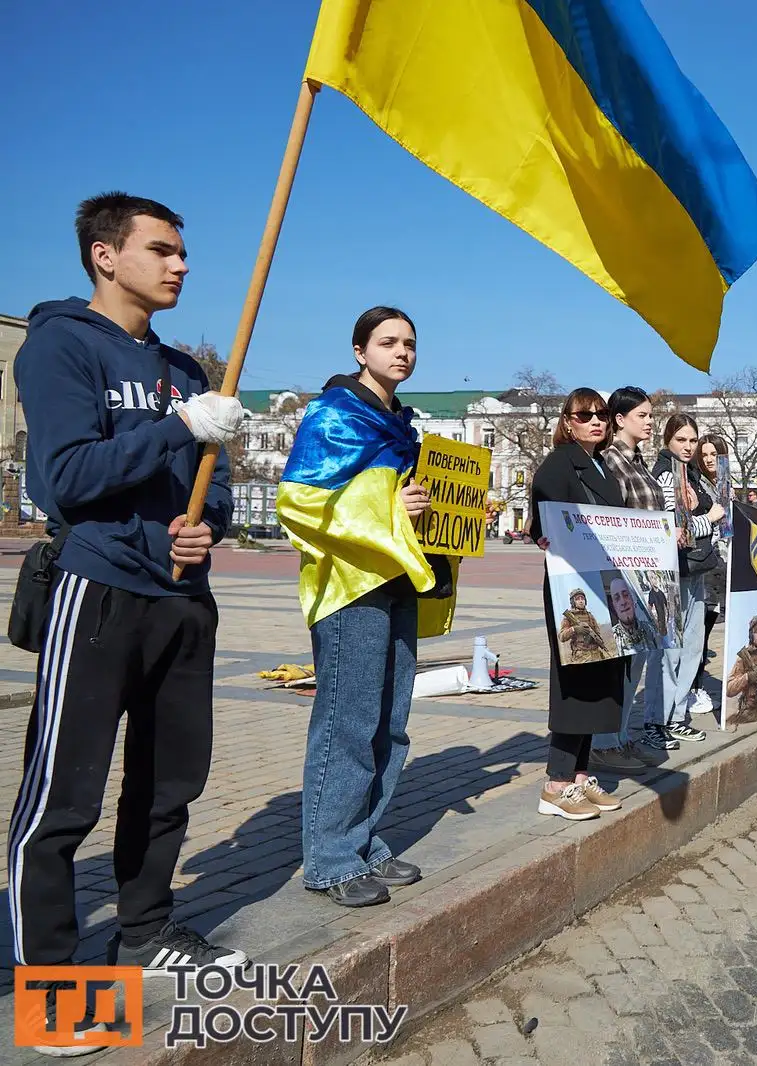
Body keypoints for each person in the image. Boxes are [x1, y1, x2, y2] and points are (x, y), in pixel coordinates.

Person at [10, 192, 250, 990]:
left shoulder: (185, 370)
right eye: (161, 250)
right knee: (65, 790)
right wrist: (181, 428)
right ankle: (48, 975)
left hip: (182, 599)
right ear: (105, 256)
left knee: (170, 782)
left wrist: (204, 525)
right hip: (100, 588)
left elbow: (209, 490)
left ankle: (145, 931)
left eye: (182, 252)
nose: (180, 264)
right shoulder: (59, 349)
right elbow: (68, 479)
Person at [277, 305, 449, 908]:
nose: (401, 352)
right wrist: (393, 510)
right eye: (387, 342)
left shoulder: (399, 423)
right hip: (349, 586)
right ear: (360, 352)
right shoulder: (335, 415)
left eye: (410, 342)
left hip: (395, 579)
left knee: (390, 723)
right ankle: (329, 858)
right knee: (347, 724)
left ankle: (364, 839)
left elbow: (389, 498)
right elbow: (299, 501)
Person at [528, 389, 631, 819]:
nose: (596, 421)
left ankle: (581, 775)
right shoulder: (559, 462)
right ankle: (556, 783)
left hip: (603, 587)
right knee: (575, 683)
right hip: (572, 587)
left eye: (602, 414)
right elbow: (545, 516)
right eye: (584, 414)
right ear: (567, 422)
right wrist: (543, 537)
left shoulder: (601, 465)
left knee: (600, 681)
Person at [593, 385, 673, 770]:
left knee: (637, 657)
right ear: (620, 419)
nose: (650, 422)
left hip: (649, 577)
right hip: (622, 574)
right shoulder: (610, 461)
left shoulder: (640, 462)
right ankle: (604, 743)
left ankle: (620, 738)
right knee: (619, 660)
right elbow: (612, 519)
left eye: (651, 416)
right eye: (642, 415)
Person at [651, 413, 724, 743]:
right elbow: (675, 531)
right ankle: (658, 718)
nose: (688, 446)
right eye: (681, 439)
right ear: (667, 440)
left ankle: (676, 714)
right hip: (674, 572)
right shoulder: (668, 476)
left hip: (695, 569)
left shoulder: (688, 473)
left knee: (692, 647)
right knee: (670, 649)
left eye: (692, 440)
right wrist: (709, 517)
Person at [689, 435, 729, 716]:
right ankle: (692, 688)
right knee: (697, 631)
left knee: (708, 626)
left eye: (714, 453)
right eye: (703, 454)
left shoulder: (725, 485)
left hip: (723, 564)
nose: (708, 459)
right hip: (705, 563)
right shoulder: (696, 485)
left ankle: (696, 684)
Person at [560, 590, 613, 664]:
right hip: (581, 657)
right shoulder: (569, 617)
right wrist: (574, 629)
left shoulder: (590, 616)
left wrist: (597, 640)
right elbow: (562, 637)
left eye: (582, 598)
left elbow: (597, 633)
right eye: (578, 599)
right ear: (573, 602)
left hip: (596, 655)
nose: (581, 601)